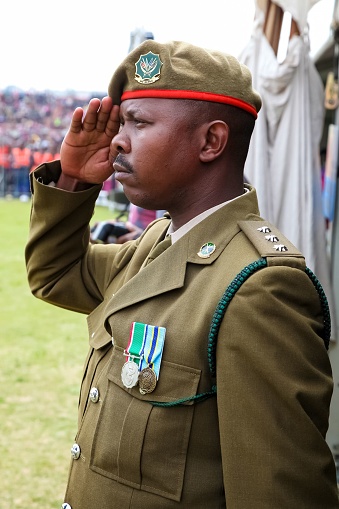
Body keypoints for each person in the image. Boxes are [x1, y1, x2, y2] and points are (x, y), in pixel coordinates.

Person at [25, 40, 339, 509]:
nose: (117, 141)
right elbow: (55, 273)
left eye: (140, 123)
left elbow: (278, 493)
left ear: (211, 142)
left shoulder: (259, 288)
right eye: (123, 122)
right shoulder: (158, 244)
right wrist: (74, 181)